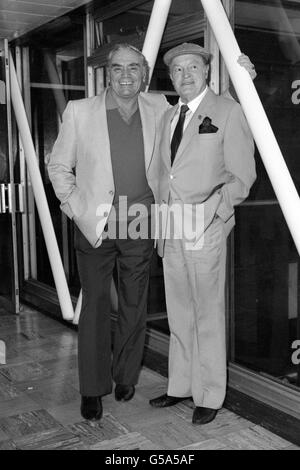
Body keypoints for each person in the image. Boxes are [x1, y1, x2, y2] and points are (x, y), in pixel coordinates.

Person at [48, 42, 256, 422]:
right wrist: (76, 209)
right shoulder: (82, 111)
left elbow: (212, 112)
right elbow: (58, 166)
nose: (126, 75)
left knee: (135, 305)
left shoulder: (158, 106)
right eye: (117, 68)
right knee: (98, 306)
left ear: (144, 76)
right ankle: (95, 389)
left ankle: (127, 378)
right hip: (99, 223)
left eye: (133, 69)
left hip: (146, 224)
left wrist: (243, 79)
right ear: (106, 73)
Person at [149, 43, 256, 425]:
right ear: (171, 77)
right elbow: (163, 172)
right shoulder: (168, 116)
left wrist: (213, 215)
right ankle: (181, 385)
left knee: (207, 313)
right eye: (177, 70)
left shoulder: (227, 112)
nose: (185, 75)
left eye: (192, 67)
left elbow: (243, 177)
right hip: (170, 230)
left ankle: (210, 393)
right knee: (179, 313)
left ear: (206, 71)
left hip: (204, 227)